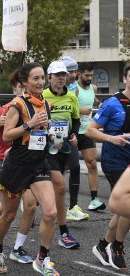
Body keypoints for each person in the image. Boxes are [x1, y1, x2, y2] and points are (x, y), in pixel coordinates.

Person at [0, 62, 58, 275]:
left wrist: (53, 137)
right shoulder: (16, 105)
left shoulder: (47, 104)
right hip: (17, 164)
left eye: (42, 77)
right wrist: (29, 124)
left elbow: (43, 130)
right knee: (8, 216)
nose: (40, 82)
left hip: (38, 163)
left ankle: (42, 258)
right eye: (35, 78)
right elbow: (7, 135)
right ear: (25, 82)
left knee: (50, 211)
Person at [0, 72, 36, 264]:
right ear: (15, 88)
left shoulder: (39, 107)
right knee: (9, 213)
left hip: (31, 164)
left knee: (30, 206)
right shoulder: (6, 108)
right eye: (20, 87)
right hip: (7, 162)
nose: (24, 90)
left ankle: (17, 248)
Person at [87, 64, 130, 271]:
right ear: (125, 78)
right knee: (126, 206)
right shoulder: (112, 103)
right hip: (115, 162)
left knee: (123, 211)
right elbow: (90, 130)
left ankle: (103, 245)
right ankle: (117, 247)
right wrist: (111, 138)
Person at [43, 61, 81, 250]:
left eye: (63, 75)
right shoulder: (43, 96)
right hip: (48, 147)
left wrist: (74, 134)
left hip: (66, 144)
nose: (60, 78)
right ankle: (63, 231)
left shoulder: (72, 98)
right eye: (56, 75)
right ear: (49, 77)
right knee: (59, 186)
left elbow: (76, 121)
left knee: (71, 171)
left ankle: (49, 207)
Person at [61, 56, 89, 221]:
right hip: (51, 139)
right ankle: (33, 199)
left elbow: (75, 116)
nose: (73, 75)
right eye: (69, 71)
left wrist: (74, 133)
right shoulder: (47, 92)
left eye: (74, 71)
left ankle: (72, 207)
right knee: (53, 173)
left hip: (69, 136)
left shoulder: (74, 90)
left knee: (75, 167)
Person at [76, 62, 105, 211]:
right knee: (66, 166)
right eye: (86, 75)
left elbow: (93, 100)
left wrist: (100, 104)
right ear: (79, 73)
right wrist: (79, 110)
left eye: (91, 75)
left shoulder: (92, 88)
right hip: (74, 132)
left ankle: (94, 200)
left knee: (92, 163)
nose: (89, 78)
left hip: (87, 132)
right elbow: (69, 105)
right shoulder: (74, 88)